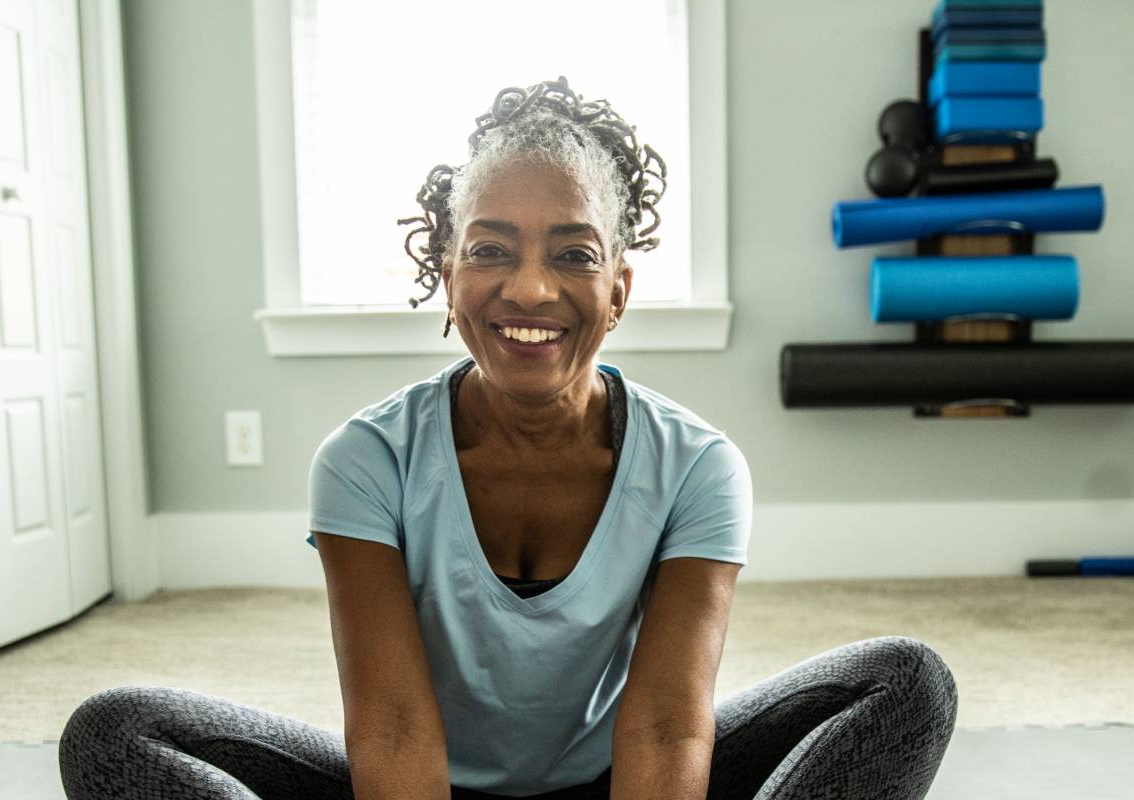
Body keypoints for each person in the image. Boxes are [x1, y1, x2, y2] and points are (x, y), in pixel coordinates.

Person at [59, 77, 957, 800]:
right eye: (491, 250)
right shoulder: (366, 462)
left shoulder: (698, 467)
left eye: (573, 253)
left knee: (905, 683)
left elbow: (667, 727)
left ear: (618, 290)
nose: (529, 290)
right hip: (417, 785)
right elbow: (393, 730)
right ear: (446, 274)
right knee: (115, 735)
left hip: (620, 785)